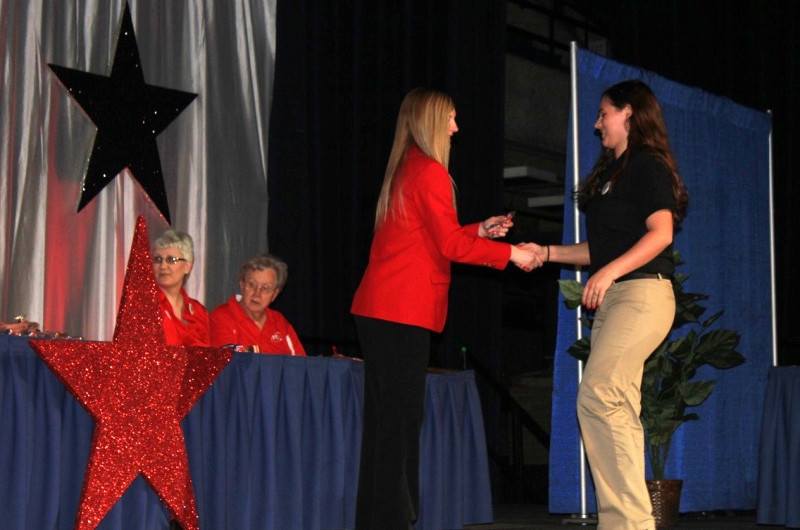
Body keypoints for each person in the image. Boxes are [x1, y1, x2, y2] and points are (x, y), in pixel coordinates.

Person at [350, 87, 538, 530]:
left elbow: (434, 238)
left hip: (382, 309)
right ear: (432, 120)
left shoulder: (407, 167)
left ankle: (377, 520)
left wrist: (480, 231)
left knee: (386, 424)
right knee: (399, 423)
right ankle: (393, 521)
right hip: (401, 311)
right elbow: (450, 246)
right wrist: (512, 253)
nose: (456, 127)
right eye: (451, 118)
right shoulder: (430, 171)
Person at [530, 79, 688, 529]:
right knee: (611, 406)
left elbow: (661, 233)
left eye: (604, 113)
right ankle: (627, 522)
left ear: (629, 113)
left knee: (599, 395)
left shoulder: (646, 164)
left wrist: (609, 272)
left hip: (642, 294)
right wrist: (545, 252)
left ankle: (630, 524)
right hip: (618, 298)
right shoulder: (611, 176)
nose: (597, 123)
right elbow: (600, 250)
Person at [209, 254, 305, 356]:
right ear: (242, 285)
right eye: (252, 285)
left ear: (275, 294)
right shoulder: (222, 317)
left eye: (265, 288)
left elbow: (301, 362)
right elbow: (227, 360)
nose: (257, 293)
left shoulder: (279, 322)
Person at [152, 229, 211, 347]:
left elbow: (208, 355)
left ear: (188, 266)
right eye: (158, 259)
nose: (163, 266)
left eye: (171, 260)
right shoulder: (146, 306)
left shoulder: (198, 311)